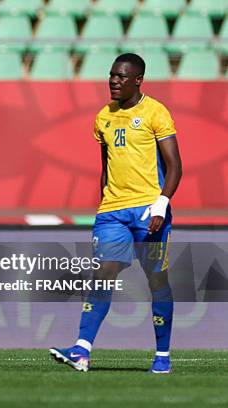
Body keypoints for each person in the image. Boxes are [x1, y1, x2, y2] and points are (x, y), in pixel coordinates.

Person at [49, 53, 182, 373]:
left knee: (157, 280)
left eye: (122, 77)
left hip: (149, 210)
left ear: (138, 80)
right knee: (104, 270)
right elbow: (106, 166)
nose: (114, 81)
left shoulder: (155, 112)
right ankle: (81, 349)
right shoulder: (103, 117)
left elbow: (175, 166)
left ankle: (162, 356)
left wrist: (161, 205)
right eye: (112, 75)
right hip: (112, 213)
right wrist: (104, 203)